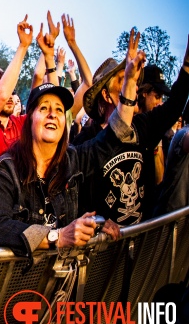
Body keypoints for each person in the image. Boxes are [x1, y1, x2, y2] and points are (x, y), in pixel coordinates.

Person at [0, 30, 146, 259]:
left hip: (59, 287)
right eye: (44, 108)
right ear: (30, 120)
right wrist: (57, 236)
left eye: (59, 110)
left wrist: (129, 84)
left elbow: (114, 137)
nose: (52, 115)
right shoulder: (5, 170)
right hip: (16, 286)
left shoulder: (72, 159)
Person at [75, 36, 189, 225]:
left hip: (141, 240)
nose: (134, 85)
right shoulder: (85, 142)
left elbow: (174, 107)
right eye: (124, 80)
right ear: (106, 95)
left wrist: (186, 65)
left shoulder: (141, 127)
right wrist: (97, 225)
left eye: (133, 80)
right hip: (102, 248)